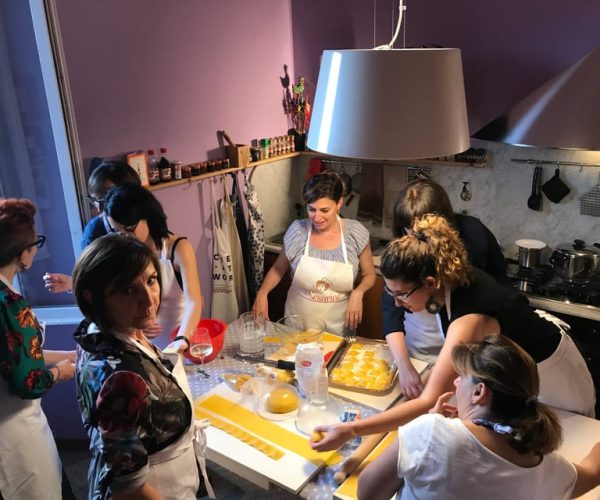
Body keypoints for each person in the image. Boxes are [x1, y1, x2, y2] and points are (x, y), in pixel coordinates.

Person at [312, 214, 595, 452]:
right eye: (391, 292)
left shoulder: (470, 315)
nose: (398, 303)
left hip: (553, 376)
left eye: (402, 295)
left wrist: (350, 430)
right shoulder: (448, 284)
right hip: (514, 372)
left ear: (430, 282)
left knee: (559, 448)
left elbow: (426, 401)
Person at [357, 336, 600, 500]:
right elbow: (591, 472)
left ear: (479, 392)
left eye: (461, 376)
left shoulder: (430, 432)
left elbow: (367, 492)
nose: (455, 382)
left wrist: (431, 423)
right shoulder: (547, 468)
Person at [72, 234, 211, 500]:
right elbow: (129, 488)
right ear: (93, 298)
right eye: (127, 290)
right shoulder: (122, 376)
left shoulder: (102, 332)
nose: (149, 301)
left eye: (151, 280)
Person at [383, 179, 508, 399]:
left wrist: (436, 382)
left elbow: (471, 334)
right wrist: (404, 365)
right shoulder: (404, 253)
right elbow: (391, 310)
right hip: (419, 350)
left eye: (419, 229)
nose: (412, 237)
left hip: (466, 354)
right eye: (406, 229)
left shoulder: (471, 245)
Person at [0, 198, 76, 499]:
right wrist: (59, 373)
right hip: (14, 431)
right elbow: (27, 381)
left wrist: (68, 355)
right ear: (22, 254)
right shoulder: (9, 304)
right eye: (35, 243)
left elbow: (20, 356)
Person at [252, 171, 376, 336]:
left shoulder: (355, 233)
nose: (317, 217)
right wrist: (263, 292)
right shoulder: (298, 231)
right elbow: (278, 268)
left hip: (337, 330)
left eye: (324, 210)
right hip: (296, 327)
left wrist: (358, 292)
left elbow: (369, 274)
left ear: (339, 203)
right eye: (311, 209)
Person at [103, 183, 203, 350]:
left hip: (180, 338)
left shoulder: (177, 249)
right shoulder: (123, 252)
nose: (123, 237)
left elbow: (194, 301)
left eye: (128, 229)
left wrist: (181, 339)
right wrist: (136, 323)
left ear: (147, 217)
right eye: (116, 231)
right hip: (144, 347)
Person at [43, 160, 141, 294]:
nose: (100, 209)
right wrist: (73, 283)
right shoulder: (94, 231)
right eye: (95, 201)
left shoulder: (149, 219)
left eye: (105, 199)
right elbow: (91, 277)